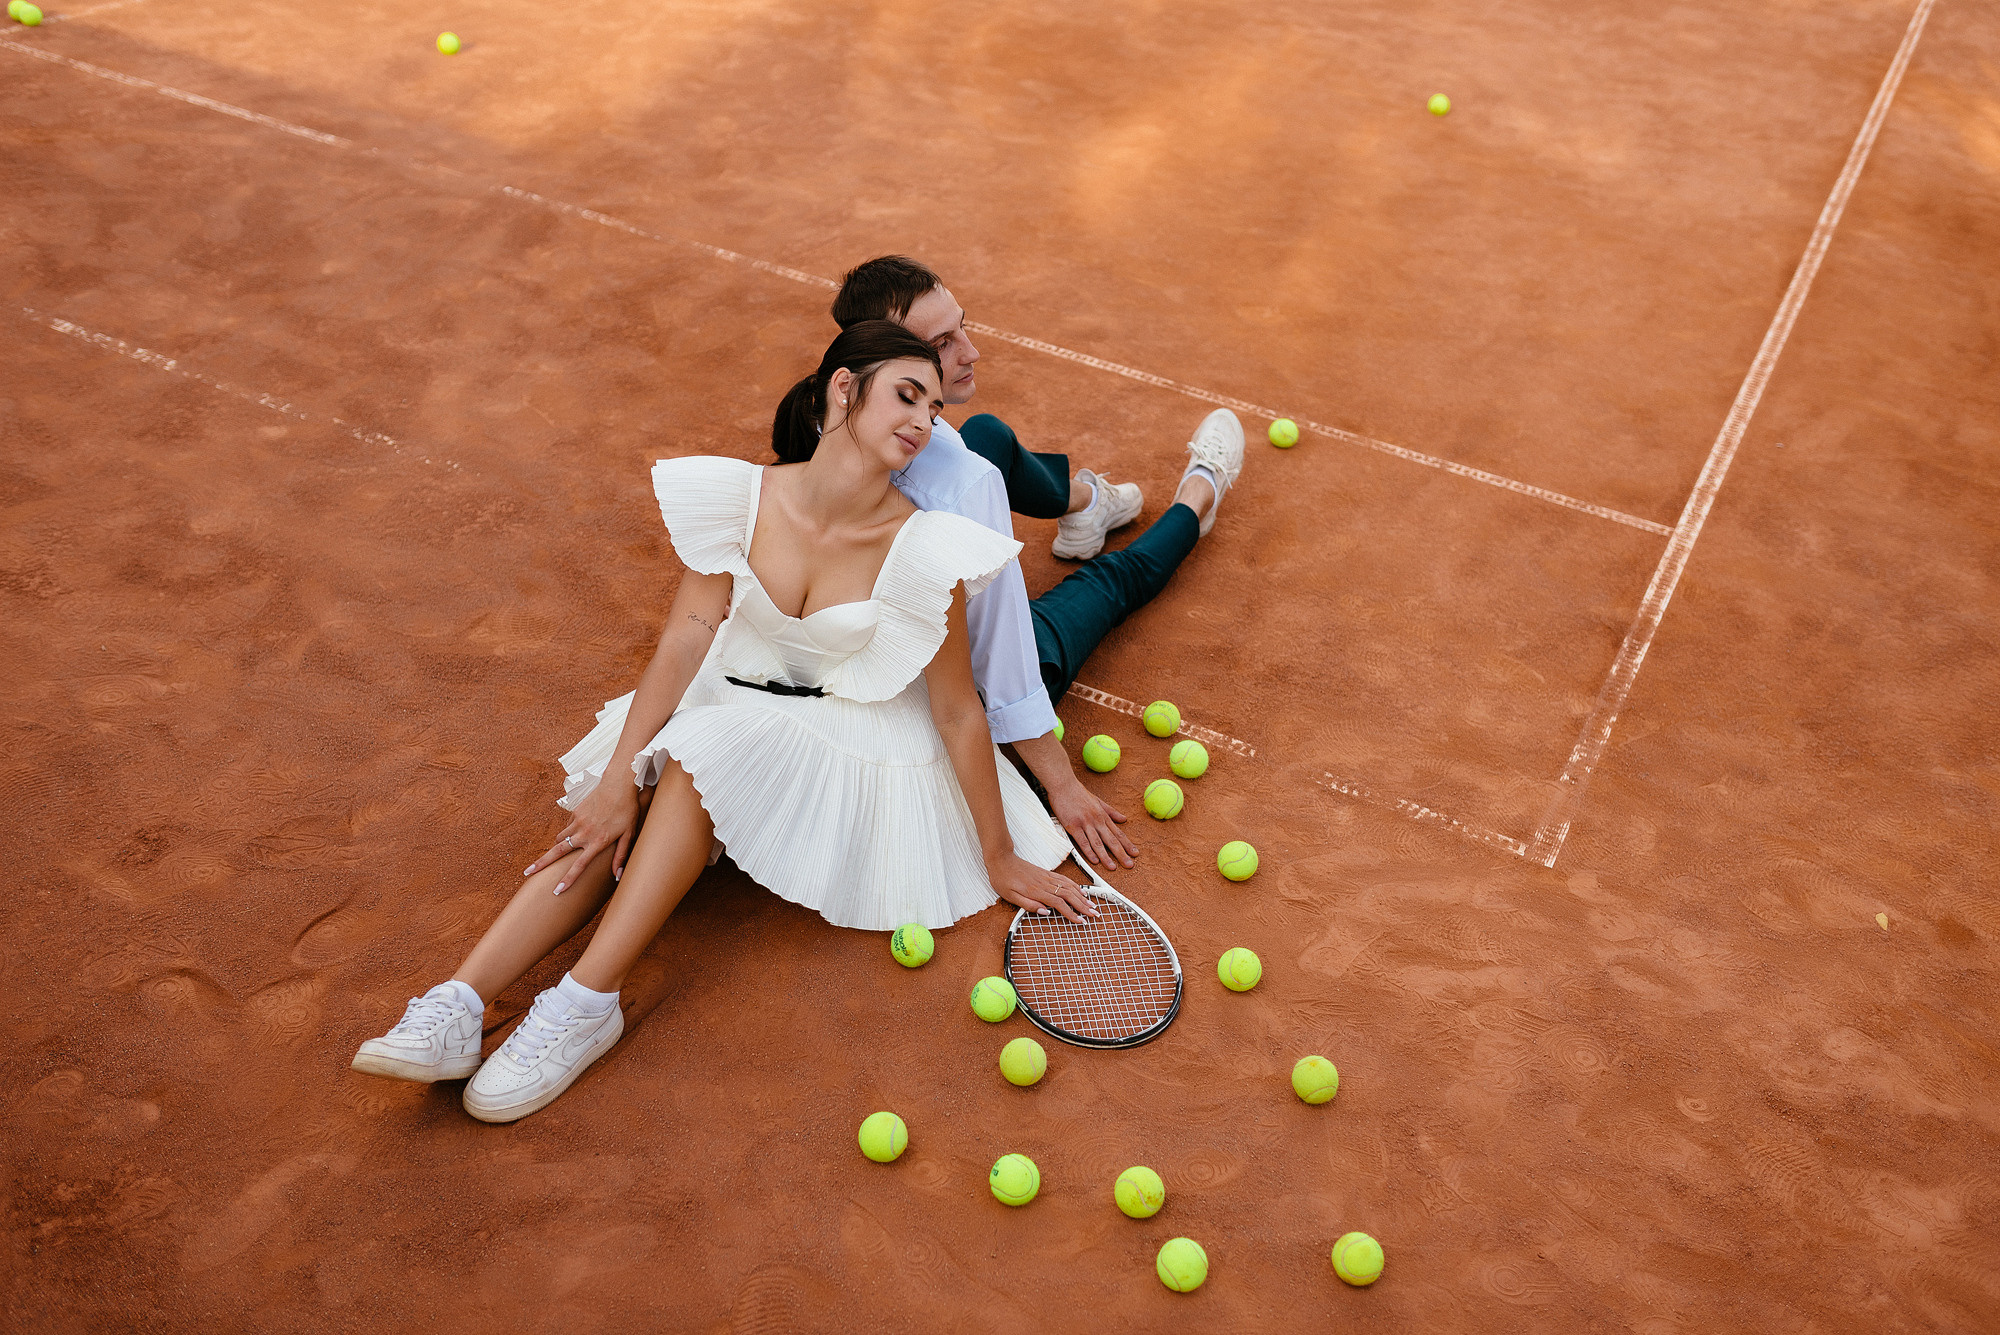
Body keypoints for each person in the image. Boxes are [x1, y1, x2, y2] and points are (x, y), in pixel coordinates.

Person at [351, 322, 1098, 1123]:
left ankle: (583, 1001)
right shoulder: (741, 497)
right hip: (733, 702)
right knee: (635, 789)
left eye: (934, 405)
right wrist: (613, 779)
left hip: (851, 733)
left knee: (704, 745)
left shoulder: (922, 546)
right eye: (905, 395)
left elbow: (954, 709)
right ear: (843, 388)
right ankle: (461, 1000)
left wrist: (996, 851)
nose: (923, 419)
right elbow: (685, 641)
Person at [830, 256, 1245, 870]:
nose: (971, 351)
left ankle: (1085, 500)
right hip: (945, 692)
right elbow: (1006, 662)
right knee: (1110, 582)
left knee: (989, 435)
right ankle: (1200, 496)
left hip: (872, 645)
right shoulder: (964, 490)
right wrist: (1063, 788)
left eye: (962, 327)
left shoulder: (822, 409)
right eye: (943, 344)